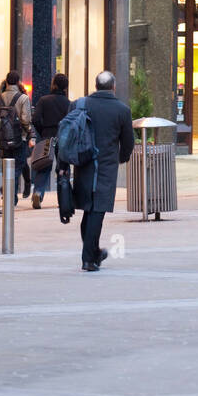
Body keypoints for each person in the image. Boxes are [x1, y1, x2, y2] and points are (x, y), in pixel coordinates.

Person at [71, 71, 134, 271]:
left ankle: (94, 252)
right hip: (106, 166)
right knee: (97, 211)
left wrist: (64, 166)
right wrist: (121, 158)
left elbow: (67, 134)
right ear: (113, 87)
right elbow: (128, 142)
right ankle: (88, 259)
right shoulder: (122, 110)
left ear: (96, 85)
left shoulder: (80, 105)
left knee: (89, 211)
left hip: (83, 165)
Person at [0, 72, 33, 205]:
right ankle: (11, 197)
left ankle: (9, 195)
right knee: (17, 167)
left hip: (3, 140)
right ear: (18, 82)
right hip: (20, 139)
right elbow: (26, 120)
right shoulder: (23, 98)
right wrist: (30, 135)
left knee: (6, 167)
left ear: (7, 82)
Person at [30, 73, 71, 208]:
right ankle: (63, 199)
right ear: (65, 87)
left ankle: (38, 192)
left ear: (54, 84)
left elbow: (35, 119)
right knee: (63, 168)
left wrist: (43, 131)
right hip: (63, 138)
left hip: (47, 136)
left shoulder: (44, 100)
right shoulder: (68, 103)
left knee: (43, 166)